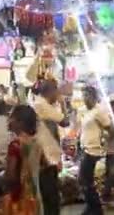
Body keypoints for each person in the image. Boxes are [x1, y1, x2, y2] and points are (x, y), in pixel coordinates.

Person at [0, 105, 44, 214]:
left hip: (18, 199)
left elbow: (10, 176)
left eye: (11, 117)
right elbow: (43, 164)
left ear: (20, 122)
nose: (8, 119)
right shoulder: (36, 142)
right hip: (34, 196)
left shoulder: (16, 145)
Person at [34, 78, 68, 215]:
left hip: (45, 156)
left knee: (48, 194)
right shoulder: (43, 105)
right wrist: (62, 103)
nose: (58, 94)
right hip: (46, 157)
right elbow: (65, 122)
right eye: (57, 91)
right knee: (50, 195)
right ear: (51, 91)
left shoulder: (39, 104)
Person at [79, 86, 111, 215]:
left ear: (93, 96)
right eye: (83, 96)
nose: (84, 98)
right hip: (85, 149)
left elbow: (110, 129)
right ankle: (92, 207)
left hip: (93, 151)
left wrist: (104, 142)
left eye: (86, 95)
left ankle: (95, 208)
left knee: (84, 180)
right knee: (85, 180)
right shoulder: (87, 111)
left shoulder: (99, 111)